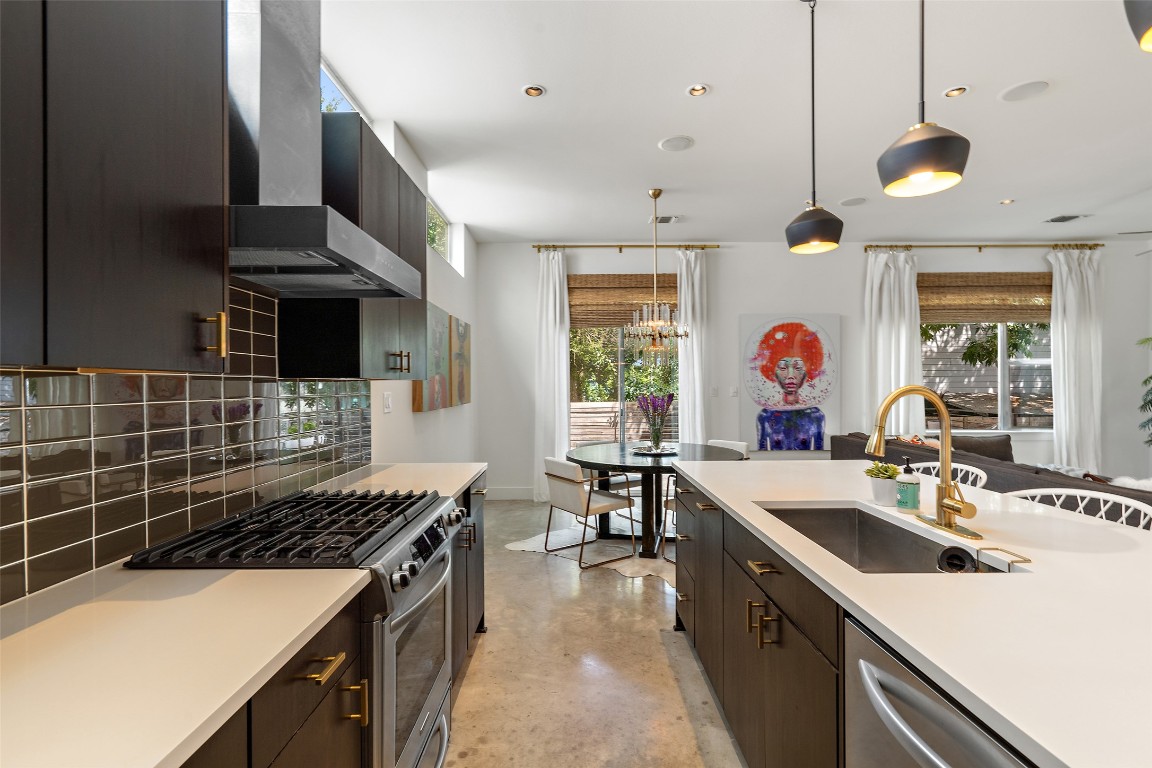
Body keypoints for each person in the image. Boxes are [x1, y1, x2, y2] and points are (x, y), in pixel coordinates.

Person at [750, 321, 828, 451]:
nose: (790, 375)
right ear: (772, 373)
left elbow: (819, 454)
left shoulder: (815, 416)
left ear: (806, 373)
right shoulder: (765, 416)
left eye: (798, 367)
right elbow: (761, 455)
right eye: (783, 367)